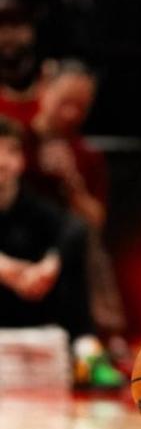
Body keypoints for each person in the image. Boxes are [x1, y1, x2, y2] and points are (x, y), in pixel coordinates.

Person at [0, 115, 123, 388]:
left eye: (10, 150)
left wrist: (49, 265)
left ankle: (86, 349)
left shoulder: (35, 207)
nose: (2, 161)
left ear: (21, 160)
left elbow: (76, 228)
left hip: (34, 307)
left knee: (74, 243)